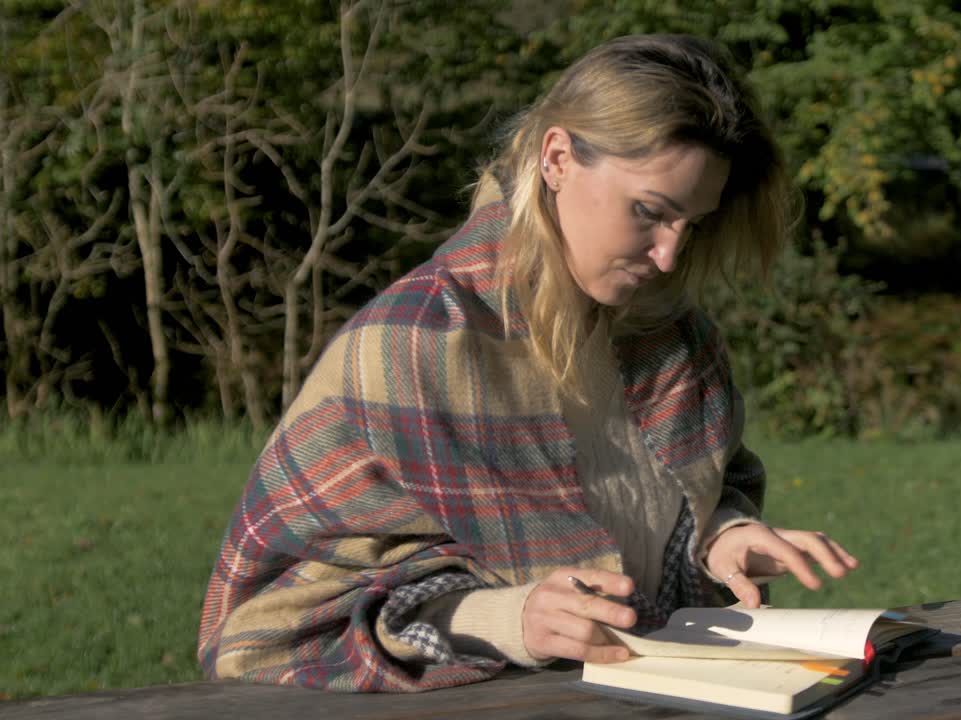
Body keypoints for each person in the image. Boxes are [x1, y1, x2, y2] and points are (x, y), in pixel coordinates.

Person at [197, 33, 858, 693]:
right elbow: (260, 633)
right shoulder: (405, 349)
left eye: (693, 225)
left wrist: (723, 539)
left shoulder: (680, 337)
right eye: (649, 213)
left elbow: (699, 491)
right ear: (558, 157)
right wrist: (515, 618)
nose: (667, 256)